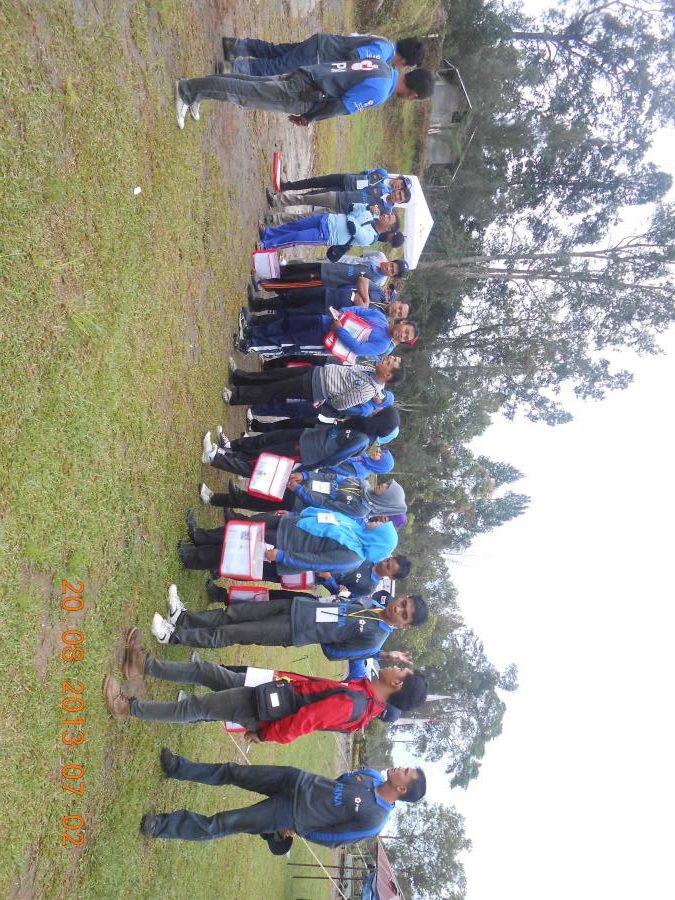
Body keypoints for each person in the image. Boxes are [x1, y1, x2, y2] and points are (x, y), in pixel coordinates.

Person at [103, 627, 428, 739]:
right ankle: (141, 665)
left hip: (262, 708)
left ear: (397, 685)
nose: (393, 667)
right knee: (207, 672)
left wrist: (263, 734)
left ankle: (128, 708)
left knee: (197, 707)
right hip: (271, 690)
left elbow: (303, 723)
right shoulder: (362, 695)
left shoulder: (355, 704)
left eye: (400, 671)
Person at [138, 753, 426, 844]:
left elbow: (335, 838)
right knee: (234, 771)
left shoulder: (375, 820)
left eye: (406, 773)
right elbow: (340, 782)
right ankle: (178, 768)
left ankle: (160, 826)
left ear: (402, 790)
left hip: (289, 814)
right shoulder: (372, 775)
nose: (400, 768)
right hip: (295, 779)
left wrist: (300, 828)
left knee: (225, 822)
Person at [149, 584, 428, 654]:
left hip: (293, 629)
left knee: (232, 632)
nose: (399, 609)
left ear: (405, 626)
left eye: (404, 615)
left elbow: (335, 653)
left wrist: (319, 631)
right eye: (403, 603)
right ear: (402, 596)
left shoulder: (375, 639)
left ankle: (172, 636)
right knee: (233, 613)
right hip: (297, 606)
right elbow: (342, 608)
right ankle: (183, 619)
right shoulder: (373, 603)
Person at [175, 61, 435, 129]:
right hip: (306, 92)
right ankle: (187, 90)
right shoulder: (380, 91)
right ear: (413, 95)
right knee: (245, 93)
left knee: (250, 85)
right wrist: (310, 117)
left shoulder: (383, 66)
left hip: (311, 74)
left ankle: (197, 93)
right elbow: (340, 106)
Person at [176, 505, 400, 575]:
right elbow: (325, 517)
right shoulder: (356, 527)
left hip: (285, 546)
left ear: (378, 539)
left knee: (239, 548)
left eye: (381, 527)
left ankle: (193, 558)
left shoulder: (353, 557)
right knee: (243, 529)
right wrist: (294, 515)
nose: (377, 523)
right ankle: (200, 536)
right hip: (289, 525)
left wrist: (283, 556)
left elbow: (315, 562)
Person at [203, 407, 400, 478]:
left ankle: (217, 457)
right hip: (308, 435)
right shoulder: (363, 425)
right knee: (266, 440)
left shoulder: (363, 440)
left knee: (262, 459)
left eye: (381, 411)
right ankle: (229, 447)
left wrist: (307, 467)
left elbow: (334, 459)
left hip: (306, 452)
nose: (377, 410)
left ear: (381, 419)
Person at [199, 470, 407, 521]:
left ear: (386, 500)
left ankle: (213, 498)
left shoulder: (360, 510)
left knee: (259, 503)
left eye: (386, 488)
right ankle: (235, 496)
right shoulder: (363, 483)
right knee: (263, 492)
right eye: (387, 483)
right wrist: (305, 476)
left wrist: (299, 490)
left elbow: (326, 505)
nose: (383, 484)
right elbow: (330, 476)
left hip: (298, 501)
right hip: (300, 485)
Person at [220, 355, 403, 409]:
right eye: (390, 358)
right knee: (275, 375)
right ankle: (239, 377)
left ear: (387, 375)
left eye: (389, 363)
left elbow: (340, 404)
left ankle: (235, 397)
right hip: (315, 372)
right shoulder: (370, 369)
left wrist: (326, 393)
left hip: (313, 387)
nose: (386, 359)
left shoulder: (368, 391)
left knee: (273, 390)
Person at [238, 304, 418, 357]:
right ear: (403, 322)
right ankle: (253, 332)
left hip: (326, 339)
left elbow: (358, 348)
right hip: (326, 320)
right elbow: (358, 310)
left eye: (405, 337)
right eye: (405, 331)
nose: (402, 335)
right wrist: (342, 314)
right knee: (288, 324)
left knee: (287, 341)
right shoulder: (379, 317)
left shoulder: (382, 345)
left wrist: (339, 330)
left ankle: (250, 345)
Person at [221, 34, 426, 76]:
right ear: (404, 60)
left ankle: (235, 46)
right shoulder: (383, 52)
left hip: (321, 44)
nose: (402, 68)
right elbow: (355, 55)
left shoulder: (385, 43)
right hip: (320, 54)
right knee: (277, 66)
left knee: (276, 52)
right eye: (406, 66)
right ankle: (231, 69)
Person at [258, 205, 401, 251]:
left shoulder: (371, 238)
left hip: (327, 235)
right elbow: (352, 208)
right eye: (388, 214)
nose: (385, 215)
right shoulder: (371, 215)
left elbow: (352, 228)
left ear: (389, 229)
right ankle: (268, 233)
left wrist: (352, 216)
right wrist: (366, 207)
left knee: (296, 237)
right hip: (327, 219)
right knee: (296, 226)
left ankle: (266, 245)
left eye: (389, 218)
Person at [257, 252, 408, 293]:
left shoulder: (376, 282)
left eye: (392, 271)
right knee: (295, 269)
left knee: (295, 282)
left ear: (392, 276)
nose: (389, 269)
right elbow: (360, 257)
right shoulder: (378, 258)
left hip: (329, 278)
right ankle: (265, 271)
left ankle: (264, 285)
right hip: (331, 266)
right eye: (392, 265)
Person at [265, 181, 411, 216]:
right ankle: (276, 201)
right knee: (306, 199)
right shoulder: (381, 187)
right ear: (397, 190)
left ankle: (275, 220)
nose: (397, 196)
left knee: (306, 217)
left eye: (400, 198)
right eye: (399, 193)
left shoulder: (385, 213)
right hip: (339, 196)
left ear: (400, 203)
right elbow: (360, 186)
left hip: (340, 213)